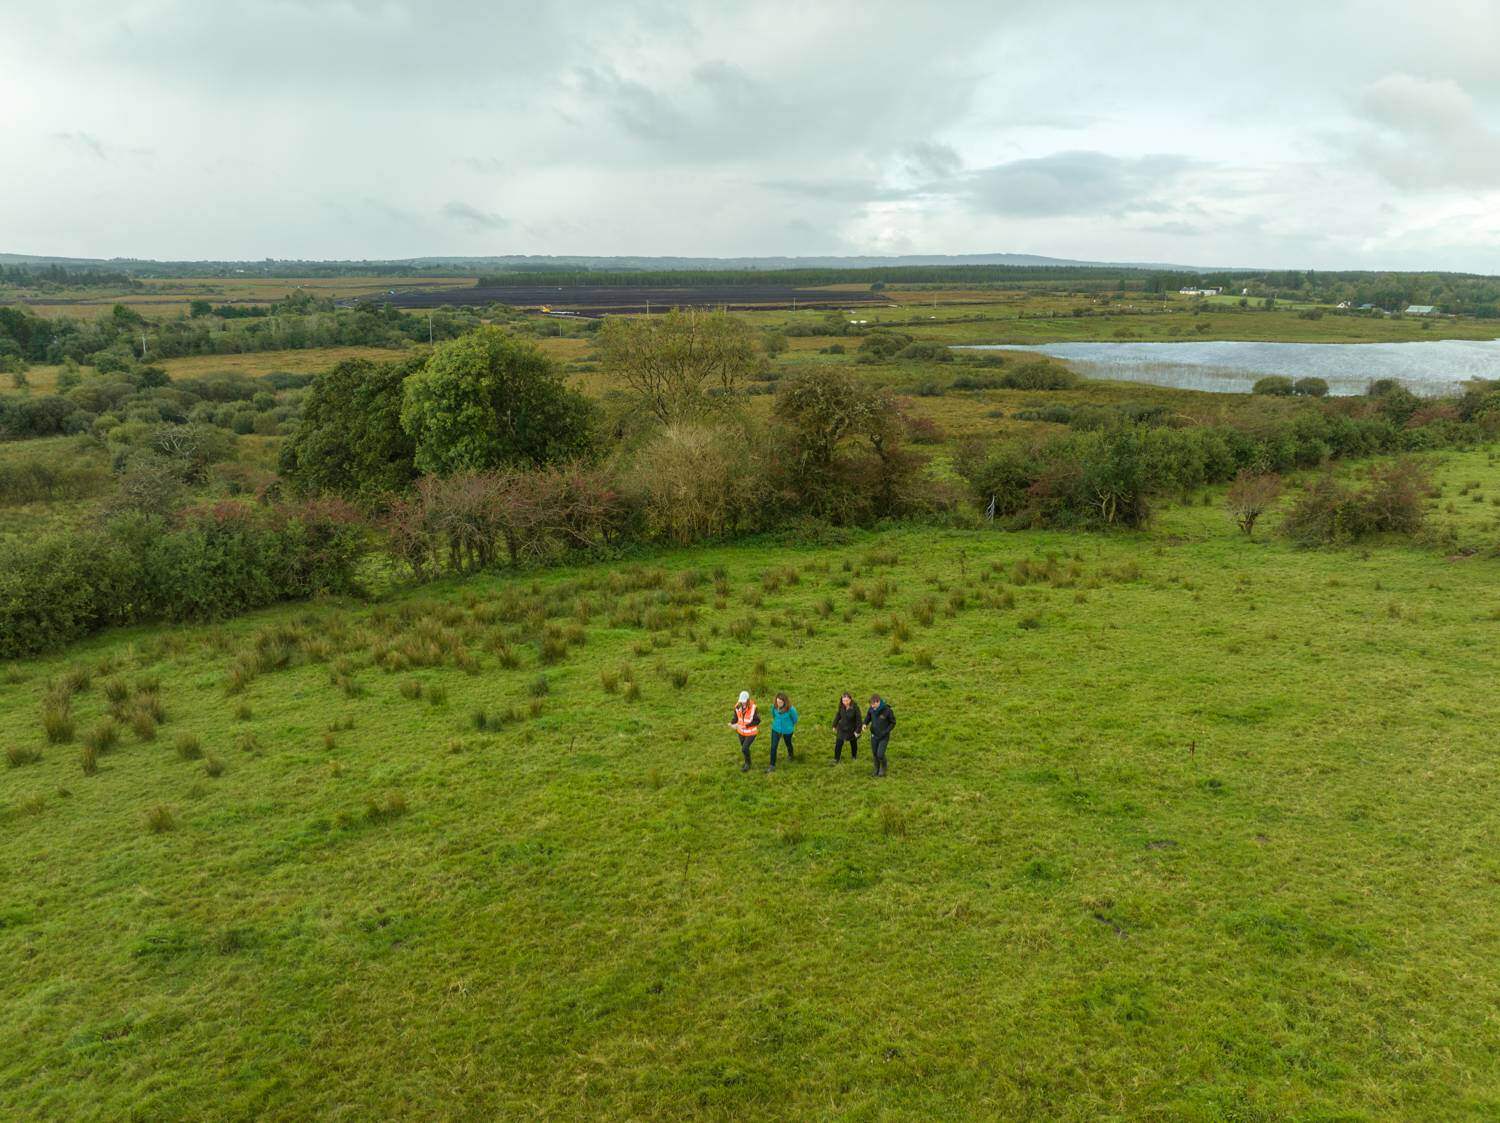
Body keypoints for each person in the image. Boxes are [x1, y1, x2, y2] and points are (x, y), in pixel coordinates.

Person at [864, 693, 896, 777]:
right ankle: (876, 769)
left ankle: (884, 767)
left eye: (873, 705)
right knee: (875, 753)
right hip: (874, 735)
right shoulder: (871, 708)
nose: (872, 707)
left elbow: (893, 723)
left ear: (878, 702)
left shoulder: (887, 710)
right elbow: (868, 716)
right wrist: (865, 724)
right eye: (871, 705)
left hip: (883, 736)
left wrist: (886, 732)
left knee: (880, 754)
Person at [729, 691, 760, 772]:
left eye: (744, 701)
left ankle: (747, 764)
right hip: (741, 732)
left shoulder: (753, 708)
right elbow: (736, 718)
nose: (743, 703)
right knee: (745, 748)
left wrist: (746, 726)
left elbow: (757, 720)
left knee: (744, 748)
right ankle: (748, 762)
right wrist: (732, 723)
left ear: (748, 700)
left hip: (751, 732)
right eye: (741, 701)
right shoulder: (737, 707)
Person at [768, 692, 798, 772]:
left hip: (787, 731)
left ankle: (791, 755)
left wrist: (789, 726)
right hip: (776, 729)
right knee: (773, 747)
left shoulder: (791, 709)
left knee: (788, 743)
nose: (778, 704)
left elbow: (795, 719)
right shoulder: (774, 707)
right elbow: (774, 715)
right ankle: (772, 765)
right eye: (777, 702)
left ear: (785, 702)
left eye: (780, 702)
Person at [832, 691, 860, 763]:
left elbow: (859, 720)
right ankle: (836, 759)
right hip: (842, 728)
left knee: (853, 743)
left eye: (846, 700)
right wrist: (834, 725)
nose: (845, 702)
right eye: (843, 700)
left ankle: (854, 756)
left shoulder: (855, 708)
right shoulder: (841, 706)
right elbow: (838, 715)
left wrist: (857, 731)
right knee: (838, 743)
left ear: (850, 700)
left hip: (852, 729)